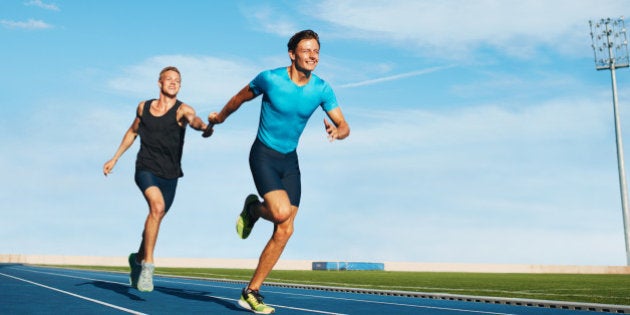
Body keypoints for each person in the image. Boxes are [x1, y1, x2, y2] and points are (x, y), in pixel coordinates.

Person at [208, 29, 350, 314]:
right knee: (281, 212)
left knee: (285, 229)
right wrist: (220, 117)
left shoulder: (322, 89)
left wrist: (338, 131)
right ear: (292, 54)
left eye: (316, 51)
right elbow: (239, 98)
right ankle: (253, 210)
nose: (313, 56)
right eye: (307, 50)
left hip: (289, 162)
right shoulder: (270, 79)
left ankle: (252, 291)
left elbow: (344, 126)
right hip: (263, 154)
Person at [103, 66, 211, 292]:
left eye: (177, 81)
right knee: (157, 206)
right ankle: (148, 267)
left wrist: (204, 128)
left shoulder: (183, 110)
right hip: (145, 168)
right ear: (159, 83)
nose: (173, 83)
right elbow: (132, 131)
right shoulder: (144, 107)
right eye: (169, 79)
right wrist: (114, 158)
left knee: (156, 216)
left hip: (170, 175)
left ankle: (137, 258)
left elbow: (195, 120)